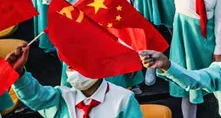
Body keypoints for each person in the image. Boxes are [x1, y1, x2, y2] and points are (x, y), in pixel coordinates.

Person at [157, 0, 221, 118]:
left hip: (208, 36)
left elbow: (219, 18)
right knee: (188, 83)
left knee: (216, 81)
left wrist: (219, 49)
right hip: (186, 38)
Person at [7, 44, 142, 117]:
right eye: (70, 67)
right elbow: (35, 96)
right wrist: (18, 73)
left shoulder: (123, 99)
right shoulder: (61, 97)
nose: (75, 72)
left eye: (80, 64)